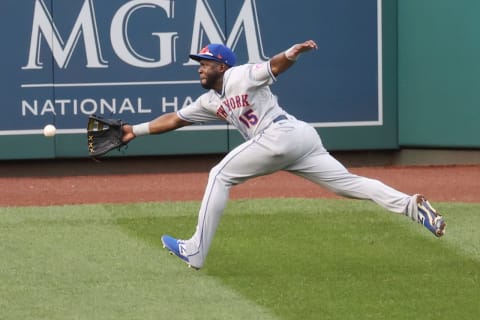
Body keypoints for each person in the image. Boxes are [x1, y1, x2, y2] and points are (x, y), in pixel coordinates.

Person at [121, 40, 446, 270]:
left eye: (205, 63)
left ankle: (195, 250)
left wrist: (292, 53)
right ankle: (411, 205)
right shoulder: (210, 101)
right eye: (199, 63)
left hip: (279, 135)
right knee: (348, 184)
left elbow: (273, 67)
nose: (200, 68)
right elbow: (175, 119)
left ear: (222, 65)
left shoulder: (238, 75)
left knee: (219, 175)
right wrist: (135, 130)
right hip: (298, 138)